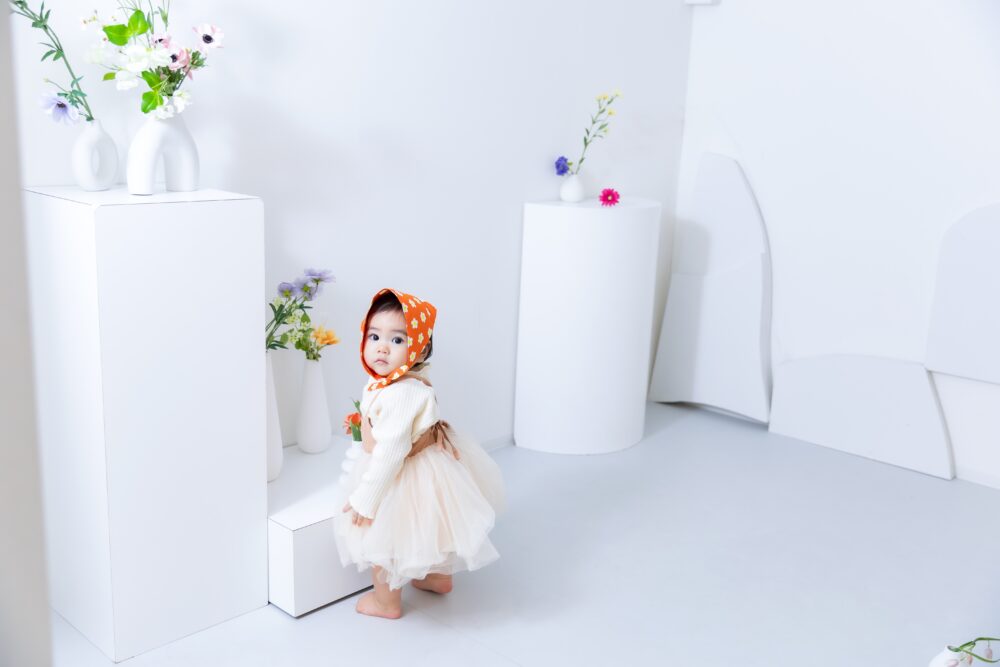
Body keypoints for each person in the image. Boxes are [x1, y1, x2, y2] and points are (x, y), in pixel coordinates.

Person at [333, 288, 506, 619]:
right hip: (431, 468)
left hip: (399, 471)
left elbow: (391, 453)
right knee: (432, 528)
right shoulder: (401, 380)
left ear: (419, 350)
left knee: (386, 538)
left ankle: (385, 602)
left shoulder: (399, 393)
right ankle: (437, 577)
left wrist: (366, 499)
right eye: (374, 336)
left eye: (398, 340)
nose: (382, 347)